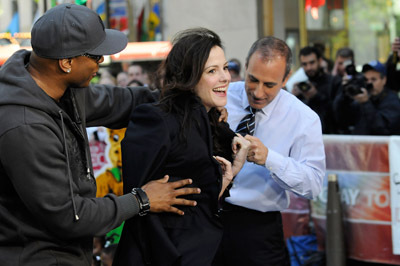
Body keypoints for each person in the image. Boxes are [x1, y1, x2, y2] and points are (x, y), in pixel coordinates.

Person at [0, 4, 201, 266]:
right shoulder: (24, 126)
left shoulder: (64, 90)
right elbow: (71, 216)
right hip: (36, 257)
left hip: (72, 252)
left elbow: (127, 102)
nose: (102, 61)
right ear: (67, 62)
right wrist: (142, 200)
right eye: (95, 56)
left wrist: (191, 100)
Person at [113, 27, 250, 266]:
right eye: (212, 71)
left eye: (225, 68)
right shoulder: (157, 119)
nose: (225, 77)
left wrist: (229, 176)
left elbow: (195, 202)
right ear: (189, 76)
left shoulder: (211, 122)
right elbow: (142, 209)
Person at [213, 36, 325, 266]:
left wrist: (270, 159)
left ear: (286, 78)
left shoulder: (304, 119)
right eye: (252, 79)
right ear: (245, 66)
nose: (258, 92)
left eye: (270, 84)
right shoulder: (219, 97)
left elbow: (313, 184)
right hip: (205, 218)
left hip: (257, 230)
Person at [333, 60, 400, 135]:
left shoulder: (392, 101)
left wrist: (366, 103)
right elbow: (341, 119)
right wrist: (345, 94)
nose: (369, 83)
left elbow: (382, 128)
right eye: (366, 80)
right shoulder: (362, 98)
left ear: (384, 80)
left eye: (373, 79)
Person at [292, 46, 335, 133]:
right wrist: (293, 98)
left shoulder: (333, 82)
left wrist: (316, 96)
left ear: (320, 61)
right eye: (304, 64)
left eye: (312, 63)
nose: (308, 68)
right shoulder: (302, 84)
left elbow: (336, 113)